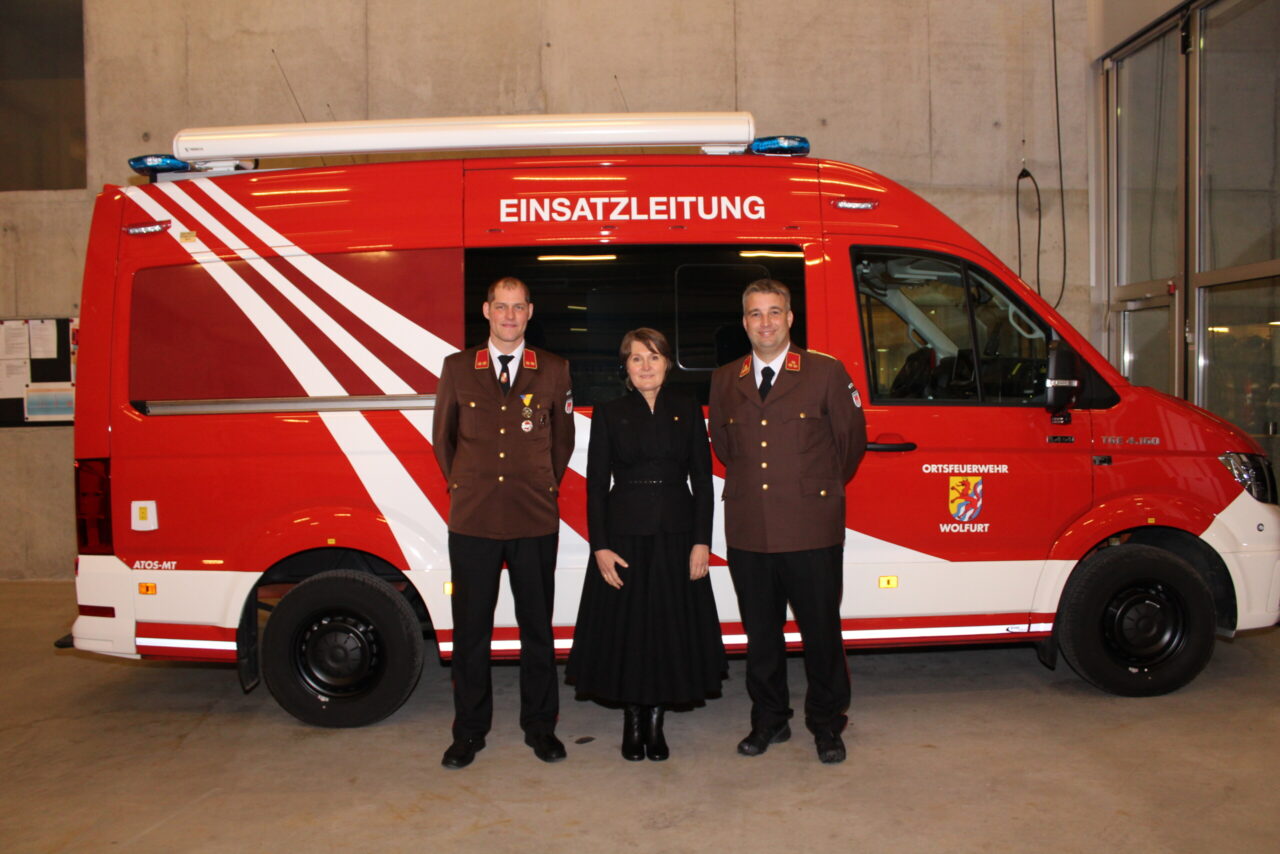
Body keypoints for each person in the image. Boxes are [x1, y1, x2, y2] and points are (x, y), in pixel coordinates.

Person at [709, 279, 866, 764]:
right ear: (744, 322)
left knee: (821, 633)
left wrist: (809, 489)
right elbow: (725, 447)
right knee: (761, 636)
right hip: (750, 528)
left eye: (774, 312)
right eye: (755, 314)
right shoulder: (725, 379)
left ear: (790, 318)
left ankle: (827, 723)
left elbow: (850, 444)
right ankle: (769, 719)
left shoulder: (824, 372)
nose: (766, 323)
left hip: (809, 526)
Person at [432, 276, 575, 769]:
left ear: (530, 312)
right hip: (473, 519)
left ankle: (541, 727)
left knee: (537, 630)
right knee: (471, 632)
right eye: (501, 306)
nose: (510, 316)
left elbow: (562, 441)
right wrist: (466, 485)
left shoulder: (553, 369)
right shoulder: (457, 368)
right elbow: (444, 439)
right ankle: (469, 731)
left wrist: (540, 483)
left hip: (533, 517)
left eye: (518, 307)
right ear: (486, 311)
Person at [567, 328, 725, 761]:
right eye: (636, 358)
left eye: (654, 357)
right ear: (626, 367)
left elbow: (703, 481)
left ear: (667, 363)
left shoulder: (687, 408)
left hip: (677, 535)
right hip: (624, 538)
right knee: (630, 632)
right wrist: (600, 546)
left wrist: (701, 542)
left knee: (668, 630)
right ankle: (632, 719)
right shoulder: (610, 412)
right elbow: (596, 486)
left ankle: (655, 719)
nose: (646, 366)